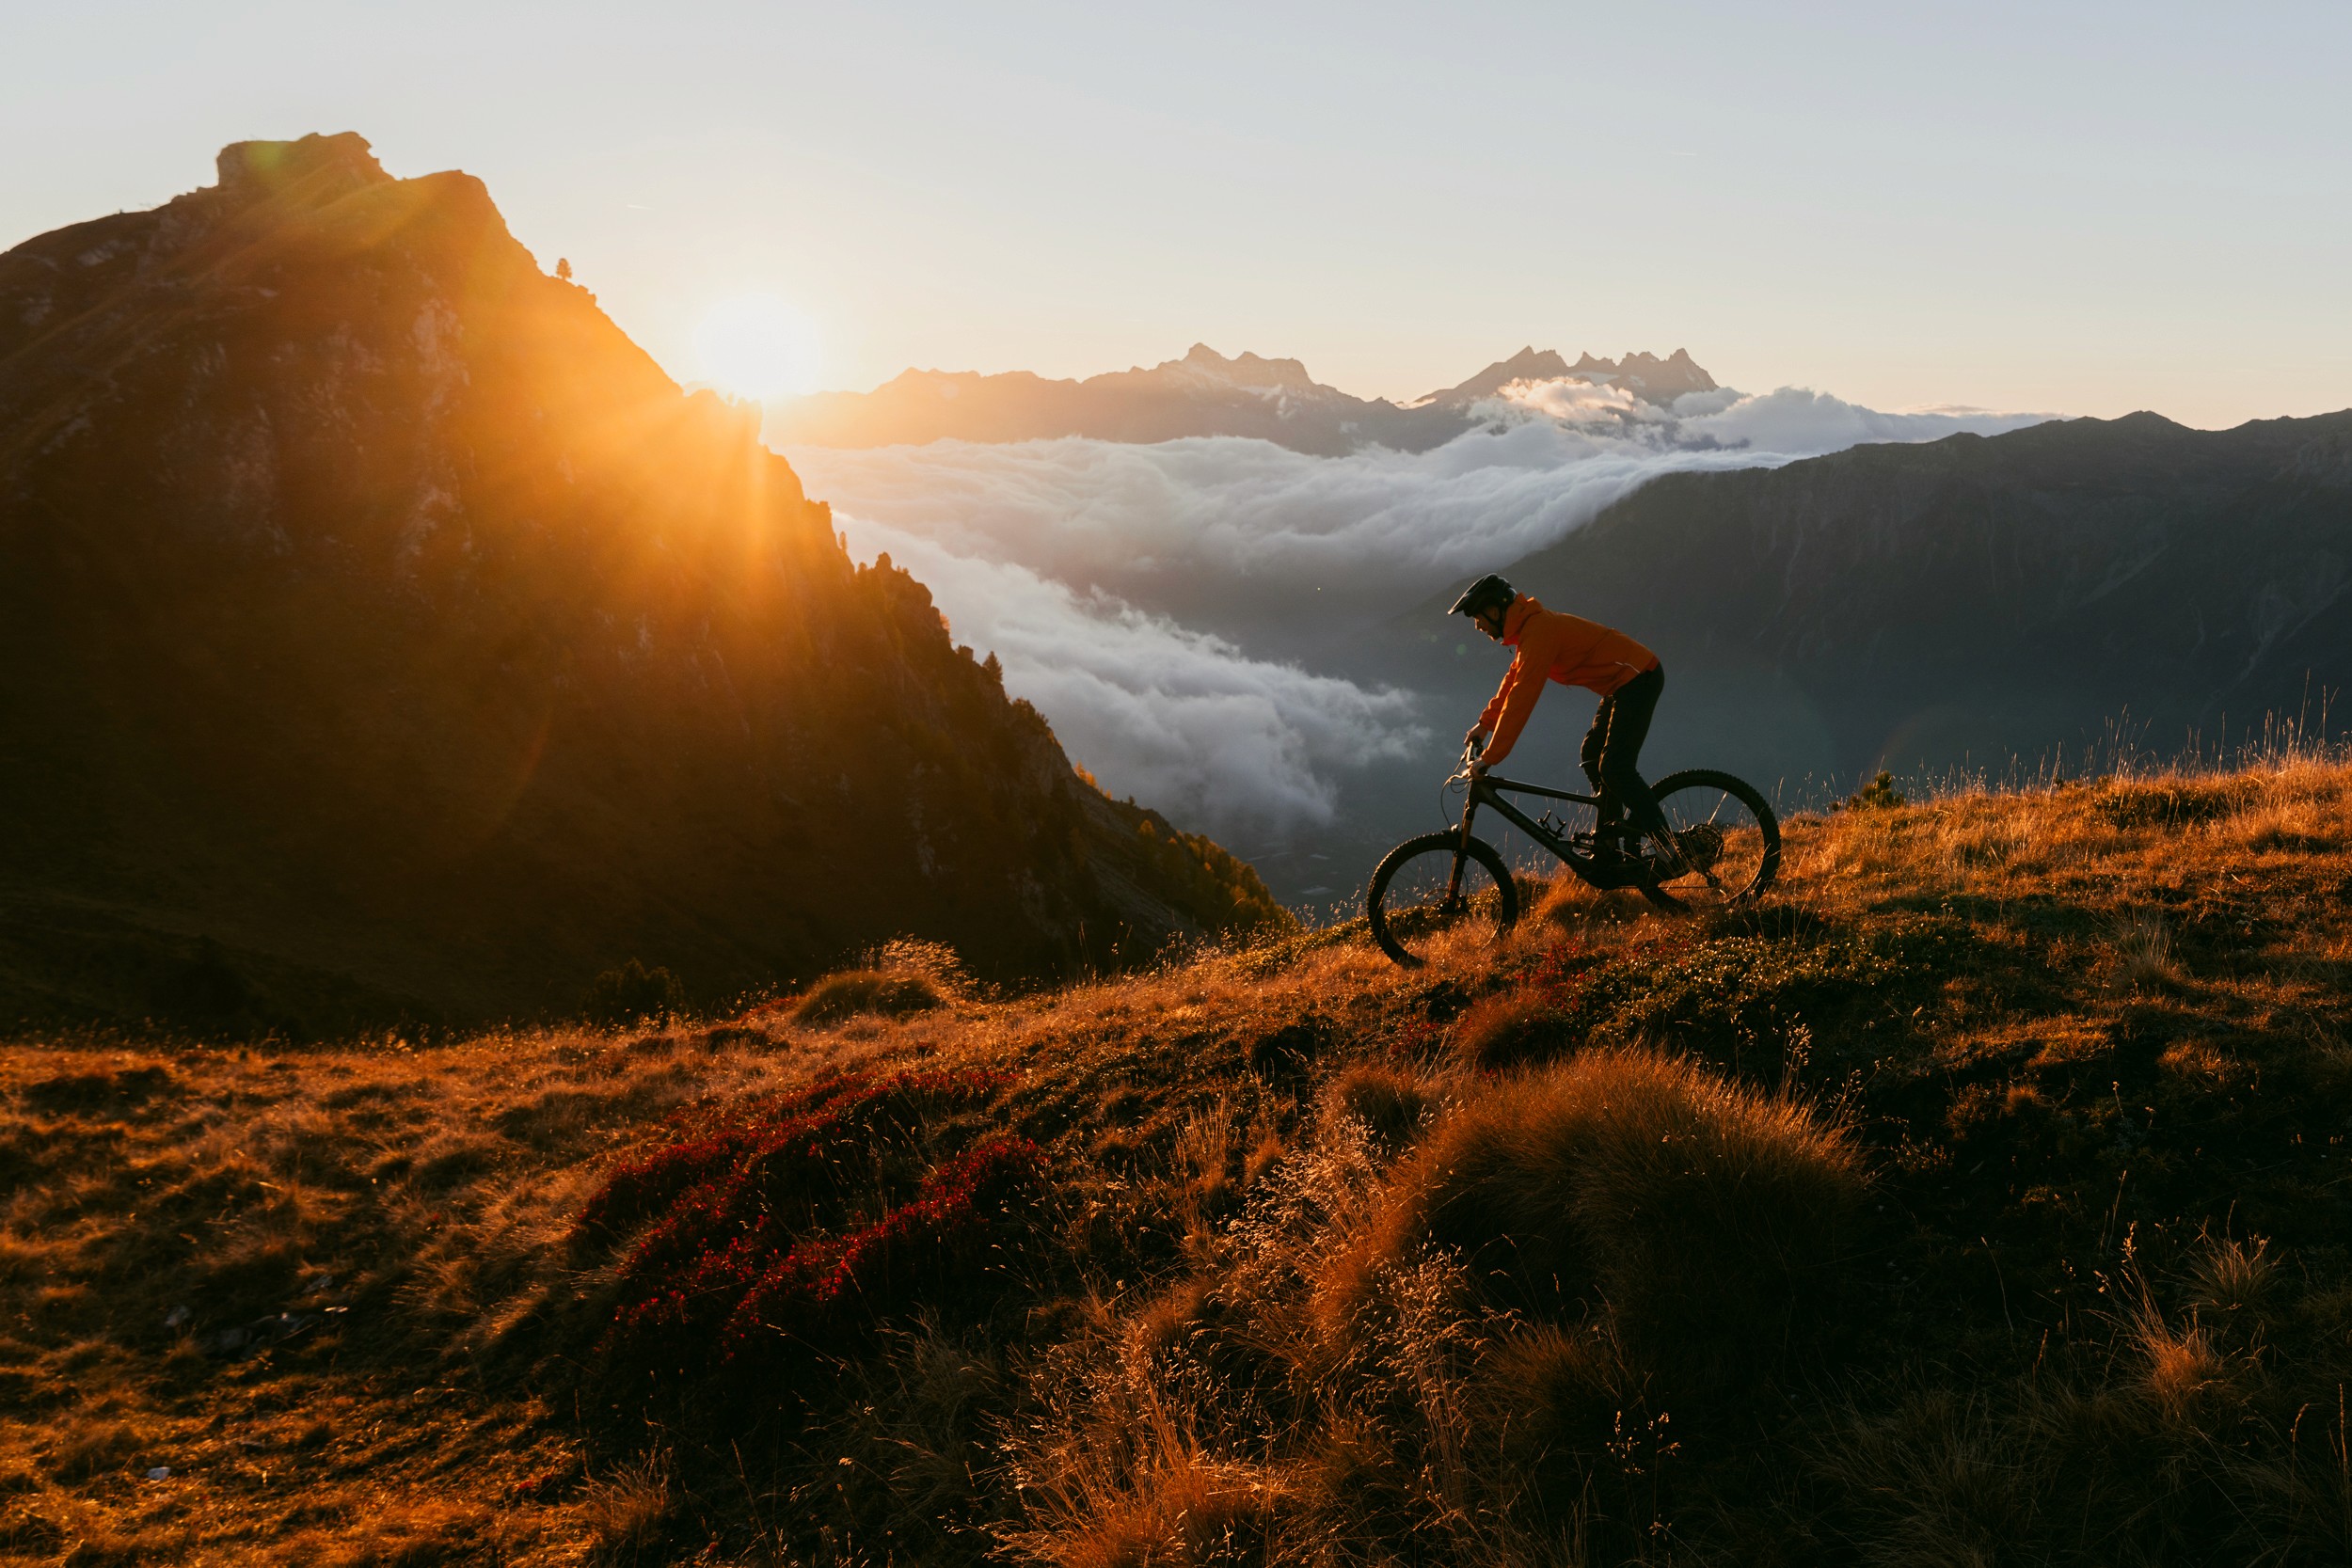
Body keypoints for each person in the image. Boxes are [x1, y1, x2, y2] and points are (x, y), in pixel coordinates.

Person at [1450, 573, 1668, 857]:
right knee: (1592, 754)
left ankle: (1670, 847)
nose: (1477, 626)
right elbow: (1513, 680)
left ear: (1494, 610)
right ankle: (1610, 842)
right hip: (1621, 684)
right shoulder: (1530, 630)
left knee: (1616, 768)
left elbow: (1522, 697)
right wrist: (1484, 724)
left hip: (1639, 677)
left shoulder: (1539, 631)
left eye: (1478, 617)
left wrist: (1491, 757)